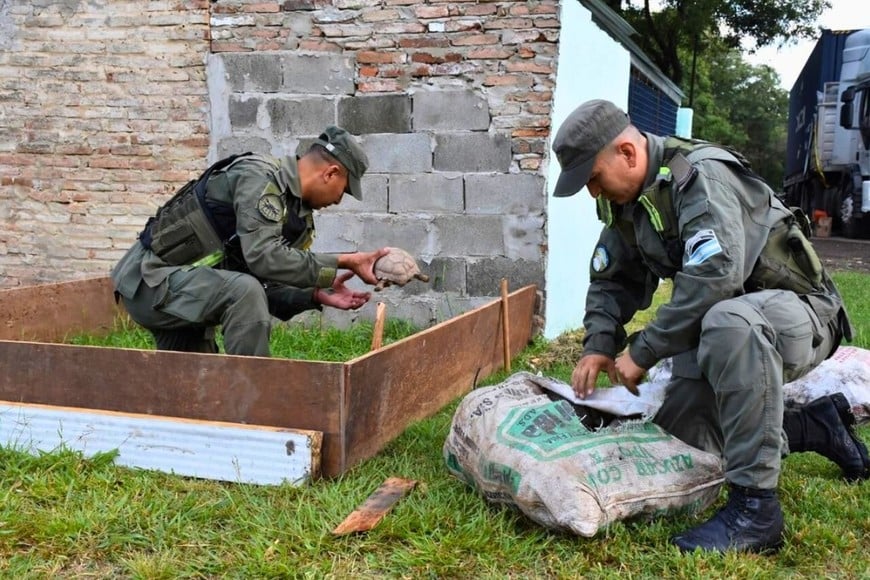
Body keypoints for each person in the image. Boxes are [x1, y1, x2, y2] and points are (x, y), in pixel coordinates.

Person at [551, 99, 869, 554]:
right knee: (688, 445)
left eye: (593, 178)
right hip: (731, 329)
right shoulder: (632, 202)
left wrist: (643, 352)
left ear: (627, 153)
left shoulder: (700, 177)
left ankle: (756, 510)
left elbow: (715, 279)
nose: (593, 193)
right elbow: (612, 279)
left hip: (801, 313)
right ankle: (814, 427)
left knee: (728, 323)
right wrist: (598, 344)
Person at [112, 125, 388, 357]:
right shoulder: (258, 176)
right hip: (150, 282)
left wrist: (315, 294)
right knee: (243, 292)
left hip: (186, 293)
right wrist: (345, 261)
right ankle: (257, 397)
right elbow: (263, 259)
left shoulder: (297, 221)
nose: (339, 200)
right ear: (331, 173)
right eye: (344, 190)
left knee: (197, 388)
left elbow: (265, 283)